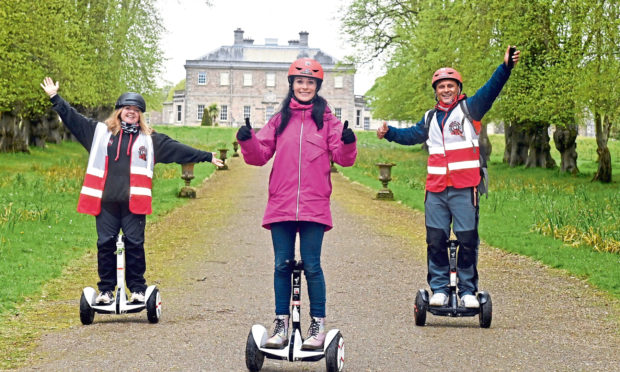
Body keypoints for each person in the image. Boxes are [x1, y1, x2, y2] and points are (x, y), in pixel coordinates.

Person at [40, 77, 223, 305]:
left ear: (140, 115)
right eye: (127, 108)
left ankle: (137, 288)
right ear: (119, 111)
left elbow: (178, 150)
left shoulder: (149, 139)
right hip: (106, 202)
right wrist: (55, 98)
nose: (131, 112)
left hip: (134, 203)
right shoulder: (98, 133)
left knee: (134, 245)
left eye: (136, 110)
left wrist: (206, 156)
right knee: (105, 244)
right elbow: (73, 119)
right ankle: (106, 290)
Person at [376, 46, 521, 309]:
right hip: (436, 191)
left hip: (465, 189)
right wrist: (389, 132)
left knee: (467, 240)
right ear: (436, 90)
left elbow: (492, 88)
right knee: (435, 240)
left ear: (458, 88)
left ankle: (467, 290)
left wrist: (506, 67)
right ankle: (440, 288)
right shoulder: (430, 117)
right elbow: (411, 135)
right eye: (441, 86)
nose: (445, 90)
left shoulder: (470, 109)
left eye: (450, 85)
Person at [236, 58, 357, 350]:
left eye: (310, 82)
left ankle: (317, 324)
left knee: (313, 265)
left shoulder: (328, 120)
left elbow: (344, 158)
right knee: (281, 264)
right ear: (292, 85)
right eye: (300, 82)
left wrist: (349, 142)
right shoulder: (280, 119)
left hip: (315, 205)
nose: (305, 86)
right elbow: (259, 155)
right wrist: (247, 140)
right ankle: (280, 323)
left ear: (317, 87)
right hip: (281, 203)